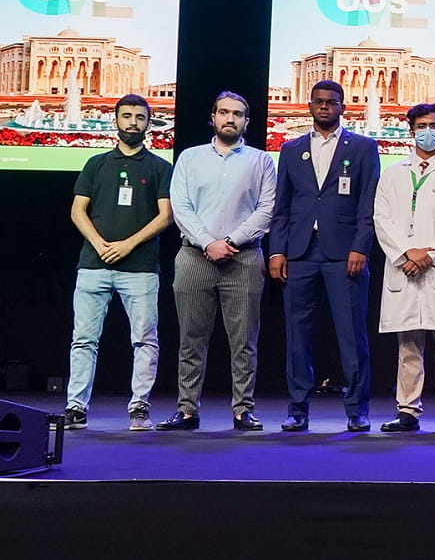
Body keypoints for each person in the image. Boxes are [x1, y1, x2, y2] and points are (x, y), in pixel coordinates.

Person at [157, 92, 275, 433]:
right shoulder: (190, 159)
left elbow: (266, 210)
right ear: (213, 117)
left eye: (237, 114)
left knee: (244, 340)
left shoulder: (260, 160)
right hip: (195, 256)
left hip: (244, 258)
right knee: (191, 339)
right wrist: (209, 242)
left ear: (246, 122)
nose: (230, 118)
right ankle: (187, 410)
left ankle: (243, 411)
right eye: (224, 112)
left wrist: (230, 242)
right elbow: (181, 207)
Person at [268, 80, 380, 432]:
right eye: (319, 102)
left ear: (343, 107)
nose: (325, 107)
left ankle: (357, 410)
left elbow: (368, 204)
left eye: (332, 102)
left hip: (344, 253)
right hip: (300, 253)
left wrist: (360, 246)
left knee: (351, 334)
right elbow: (281, 206)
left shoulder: (362, 147)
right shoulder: (291, 149)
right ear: (309, 106)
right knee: (297, 334)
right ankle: (297, 408)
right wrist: (277, 251)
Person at [62, 94, 173, 432]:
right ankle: (75, 407)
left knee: (144, 339)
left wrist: (127, 245)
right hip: (93, 266)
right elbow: (77, 210)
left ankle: (139, 407)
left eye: (140, 117)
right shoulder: (96, 164)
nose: (132, 123)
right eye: (126, 116)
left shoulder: (159, 167)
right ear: (116, 120)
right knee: (84, 339)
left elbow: (166, 215)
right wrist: (99, 244)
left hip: (140, 268)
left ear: (148, 123)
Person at [373, 103, 435, 433]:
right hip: (406, 268)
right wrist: (406, 254)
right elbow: (382, 219)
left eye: (434, 125)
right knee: (408, 344)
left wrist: (429, 256)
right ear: (410, 130)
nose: (427, 131)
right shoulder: (394, 172)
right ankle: (408, 410)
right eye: (421, 125)